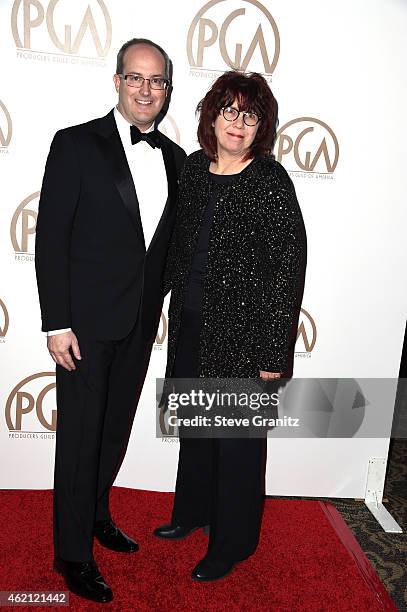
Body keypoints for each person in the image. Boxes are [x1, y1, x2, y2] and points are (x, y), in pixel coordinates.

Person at [35, 38, 186, 603]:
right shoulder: (75, 144)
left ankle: (96, 513)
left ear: (168, 89)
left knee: (113, 431)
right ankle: (71, 553)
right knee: (78, 438)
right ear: (118, 81)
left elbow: (170, 246)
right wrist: (57, 322)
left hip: (139, 324)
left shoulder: (175, 159)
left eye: (157, 81)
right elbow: (50, 238)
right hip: (83, 326)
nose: (146, 89)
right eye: (136, 78)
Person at [154, 71, 307, 582]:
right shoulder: (195, 170)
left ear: (261, 124)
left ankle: (231, 541)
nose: (239, 123)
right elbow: (176, 247)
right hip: (192, 324)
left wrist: (273, 353)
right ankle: (192, 513)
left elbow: (288, 267)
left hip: (244, 336)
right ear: (211, 116)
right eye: (230, 110)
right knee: (198, 429)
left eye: (251, 113)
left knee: (237, 442)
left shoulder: (270, 180)